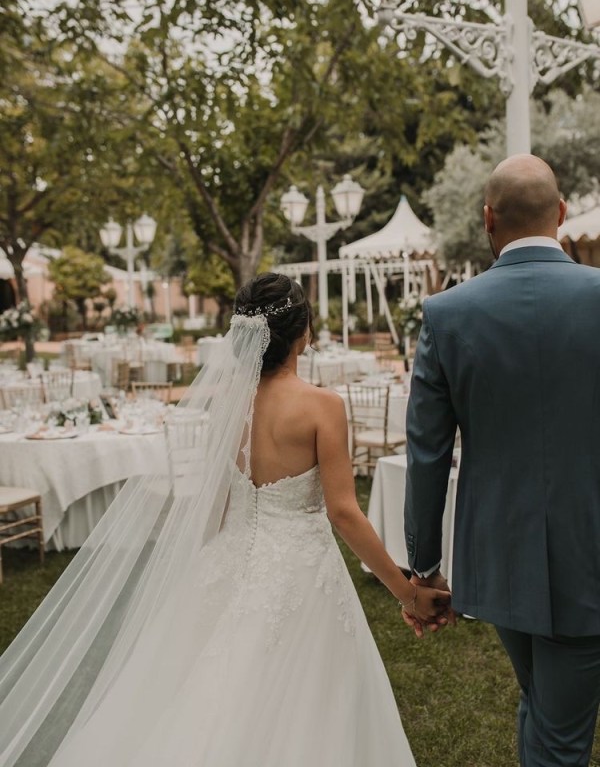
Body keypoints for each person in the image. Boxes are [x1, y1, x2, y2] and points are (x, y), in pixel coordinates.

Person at [0, 272, 450, 767]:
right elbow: (344, 512)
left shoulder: (229, 406)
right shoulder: (323, 406)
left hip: (229, 555)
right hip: (300, 573)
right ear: (305, 331)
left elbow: (215, 502)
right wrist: (406, 592)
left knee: (207, 690)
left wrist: (204, 570)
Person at [403, 154, 600, 766]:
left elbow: (427, 451)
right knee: (560, 735)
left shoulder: (446, 313)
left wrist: (423, 565)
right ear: (562, 214)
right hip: (591, 550)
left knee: (541, 706)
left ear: (487, 219)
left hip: (499, 552)